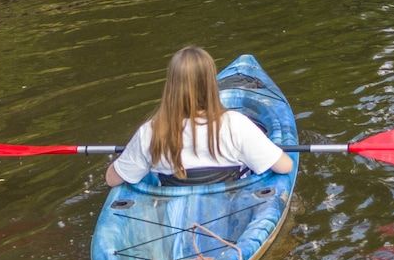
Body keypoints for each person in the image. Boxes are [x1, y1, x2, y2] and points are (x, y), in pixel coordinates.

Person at [104, 46, 292, 187]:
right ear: (211, 84)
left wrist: (130, 153)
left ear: (171, 86)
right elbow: (285, 167)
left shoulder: (152, 131)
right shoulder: (236, 124)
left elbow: (112, 180)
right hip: (230, 211)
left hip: (174, 219)